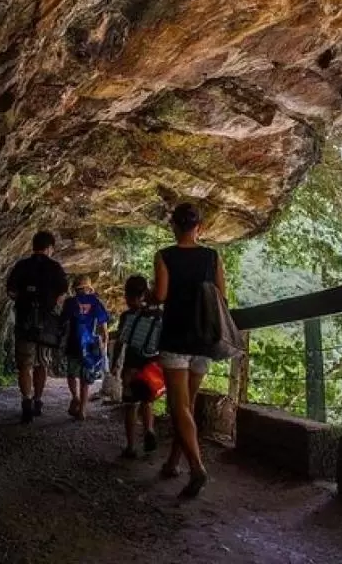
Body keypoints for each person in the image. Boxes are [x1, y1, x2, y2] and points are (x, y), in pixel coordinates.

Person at [152, 202, 224, 497]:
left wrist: (147, 295)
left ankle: (197, 468)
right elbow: (221, 295)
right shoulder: (212, 256)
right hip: (204, 339)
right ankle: (172, 462)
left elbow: (161, 295)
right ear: (199, 227)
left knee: (178, 406)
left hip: (176, 336)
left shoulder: (164, 256)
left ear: (173, 227)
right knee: (188, 406)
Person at [6, 231, 69, 424]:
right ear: (50, 248)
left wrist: (24, 300)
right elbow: (62, 292)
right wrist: (50, 305)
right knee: (42, 363)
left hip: (24, 321)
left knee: (25, 364)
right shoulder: (55, 267)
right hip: (46, 323)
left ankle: (26, 400)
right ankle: (38, 400)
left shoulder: (21, 266)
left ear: (33, 246)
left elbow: (11, 291)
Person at [112, 275, 163, 458]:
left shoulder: (128, 316)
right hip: (151, 367)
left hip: (132, 365)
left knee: (131, 406)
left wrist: (114, 364)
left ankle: (131, 446)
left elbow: (120, 342)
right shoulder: (159, 315)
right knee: (147, 401)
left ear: (128, 295)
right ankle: (149, 429)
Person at [61, 274, 110, 420]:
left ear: (75, 288)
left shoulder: (70, 302)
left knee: (71, 374)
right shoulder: (96, 302)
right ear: (89, 288)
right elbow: (103, 327)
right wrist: (104, 343)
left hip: (73, 343)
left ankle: (75, 397)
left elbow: (63, 322)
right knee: (85, 377)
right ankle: (82, 410)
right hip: (90, 345)